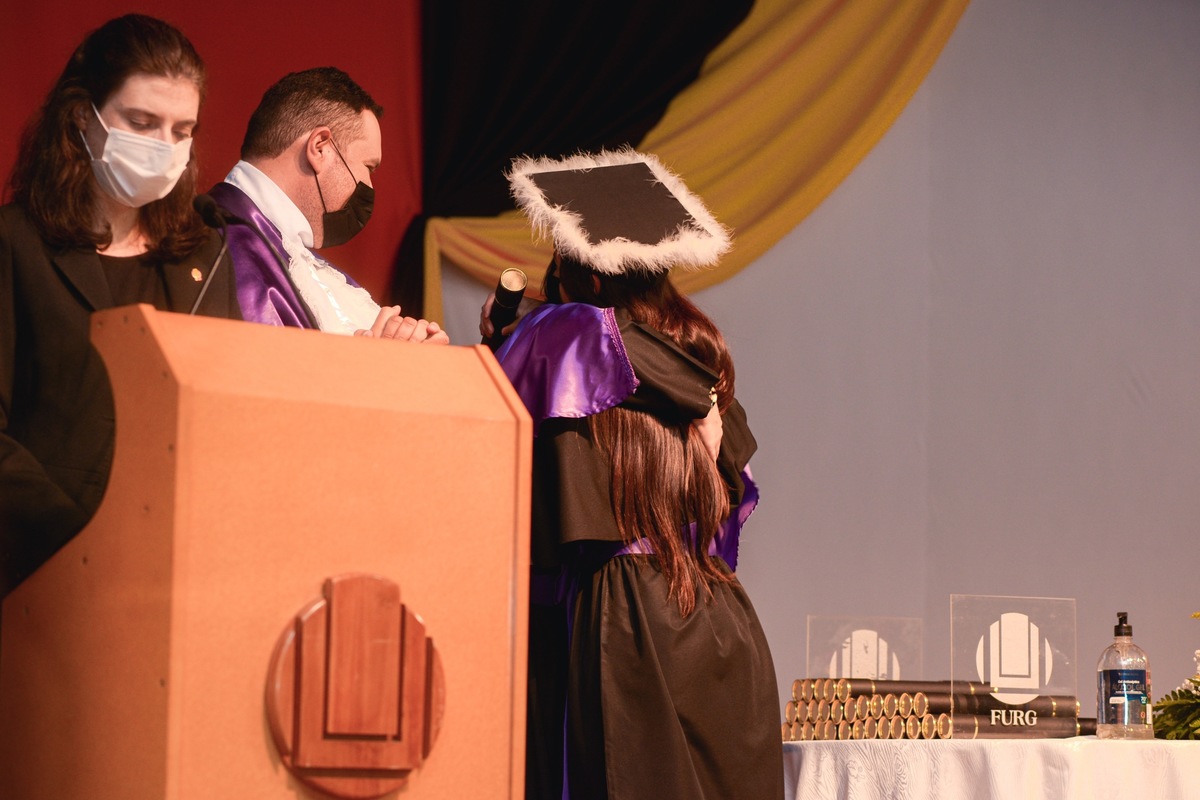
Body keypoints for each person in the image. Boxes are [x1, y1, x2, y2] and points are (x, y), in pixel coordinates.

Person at [492, 149, 782, 799]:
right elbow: (731, 483)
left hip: (629, 617)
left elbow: (502, 401)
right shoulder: (700, 346)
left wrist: (505, 337)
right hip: (717, 612)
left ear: (586, 276)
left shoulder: (569, 332)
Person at [0, 15, 243, 596]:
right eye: (141, 123)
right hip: (42, 576)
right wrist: (82, 542)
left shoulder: (203, 255)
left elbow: (228, 423)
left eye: (182, 130)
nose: (164, 147)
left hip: (172, 574)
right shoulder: (16, 243)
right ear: (83, 117)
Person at [207, 67, 447, 343]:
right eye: (368, 167)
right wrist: (378, 361)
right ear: (320, 147)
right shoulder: (219, 244)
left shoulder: (295, 254)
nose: (369, 187)